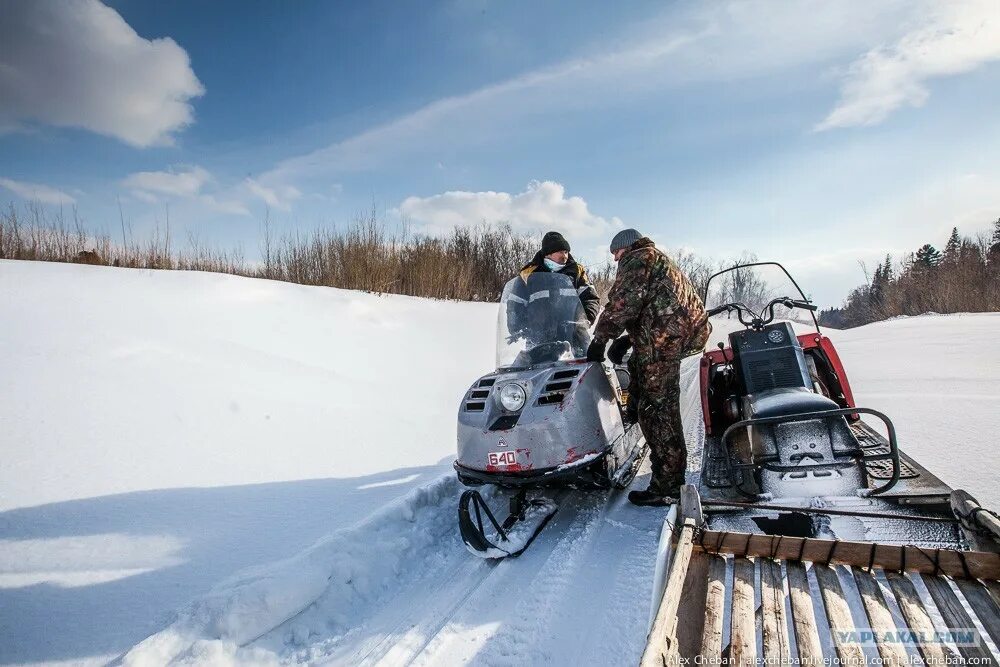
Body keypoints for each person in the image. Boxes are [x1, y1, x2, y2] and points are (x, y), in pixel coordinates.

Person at [586, 229, 710, 506]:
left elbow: (623, 302)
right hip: (671, 334)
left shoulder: (639, 258)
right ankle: (632, 419)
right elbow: (656, 305)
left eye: (616, 253)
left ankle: (667, 485)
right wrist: (628, 339)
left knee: (658, 409)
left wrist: (601, 338)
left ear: (625, 248)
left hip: (666, 340)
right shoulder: (657, 259)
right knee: (637, 374)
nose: (615, 259)